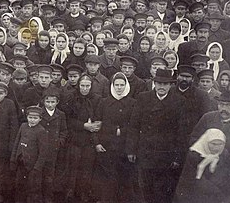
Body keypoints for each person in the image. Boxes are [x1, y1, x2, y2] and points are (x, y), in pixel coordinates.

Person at [126, 68, 188, 203]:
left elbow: (181, 132)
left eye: (165, 84)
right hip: (145, 152)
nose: (161, 87)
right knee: (145, 188)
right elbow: (134, 126)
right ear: (154, 83)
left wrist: (178, 157)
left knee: (163, 190)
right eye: (159, 83)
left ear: (171, 85)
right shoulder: (143, 97)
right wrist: (131, 150)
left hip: (166, 154)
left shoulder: (179, 101)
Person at [92, 72, 138, 203]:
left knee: (124, 179)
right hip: (107, 146)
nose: (119, 87)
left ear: (126, 86)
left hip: (124, 147)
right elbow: (97, 123)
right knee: (107, 179)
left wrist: (121, 132)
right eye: (116, 85)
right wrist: (97, 143)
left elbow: (135, 126)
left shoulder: (132, 103)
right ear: (112, 85)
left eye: (122, 85)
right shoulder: (104, 102)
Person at [174, 128, 230, 203]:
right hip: (196, 189)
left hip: (218, 189)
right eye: (213, 144)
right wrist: (212, 189)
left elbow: (226, 172)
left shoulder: (224, 154)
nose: (217, 148)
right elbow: (190, 177)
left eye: (220, 144)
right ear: (205, 142)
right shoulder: (193, 154)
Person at [63, 73, 101, 203]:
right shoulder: (71, 98)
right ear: (78, 86)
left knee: (87, 167)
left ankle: (83, 192)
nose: (85, 89)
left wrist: (96, 124)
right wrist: (83, 125)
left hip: (90, 139)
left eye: (88, 86)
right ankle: (70, 192)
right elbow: (67, 119)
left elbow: (99, 117)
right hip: (75, 137)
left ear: (91, 86)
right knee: (73, 166)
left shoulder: (96, 99)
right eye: (82, 86)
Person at [10, 105, 49, 203]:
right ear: (27, 117)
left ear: (40, 119)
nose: (32, 120)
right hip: (21, 163)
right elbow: (17, 143)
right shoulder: (23, 126)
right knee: (19, 186)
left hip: (33, 166)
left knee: (33, 188)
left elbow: (43, 152)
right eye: (30, 117)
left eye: (35, 118)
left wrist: (37, 167)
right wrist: (13, 159)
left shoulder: (41, 131)